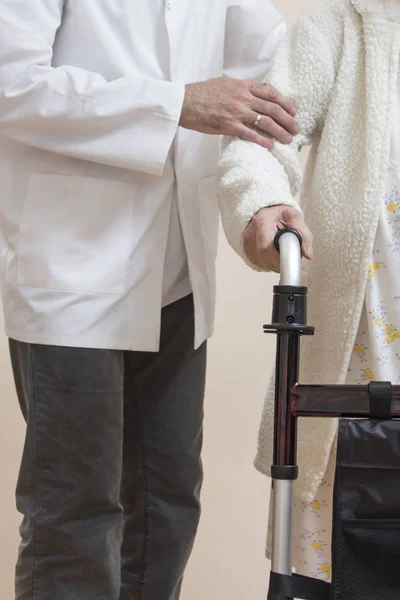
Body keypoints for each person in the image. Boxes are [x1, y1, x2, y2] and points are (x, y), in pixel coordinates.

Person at [0, 2, 300, 599]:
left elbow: (268, 85)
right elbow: (11, 82)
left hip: (177, 269)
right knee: (75, 512)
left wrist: (261, 195)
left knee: (167, 505)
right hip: (72, 267)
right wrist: (176, 103)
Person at [218, 0, 400, 583]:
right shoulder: (342, 25)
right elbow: (263, 137)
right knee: (357, 561)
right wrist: (264, 198)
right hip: (365, 345)